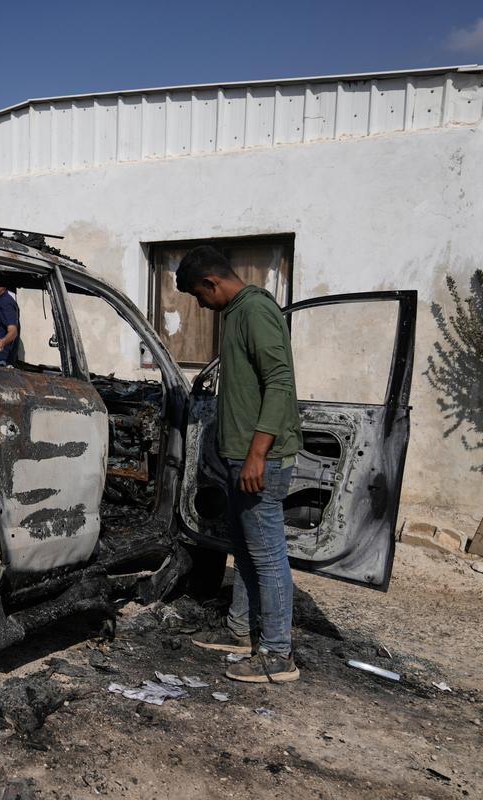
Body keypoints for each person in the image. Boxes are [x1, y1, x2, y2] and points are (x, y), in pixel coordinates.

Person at [177, 245, 303, 684]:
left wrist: (256, 455)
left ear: (213, 283)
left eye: (197, 295)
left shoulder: (255, 312)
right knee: (246, 550)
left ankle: (277, 654)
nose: (199, 305)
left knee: (267, 557)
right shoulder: (237, 313)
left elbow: (280, 381)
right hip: (239, 458)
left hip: (259, 461)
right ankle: (240, 631)